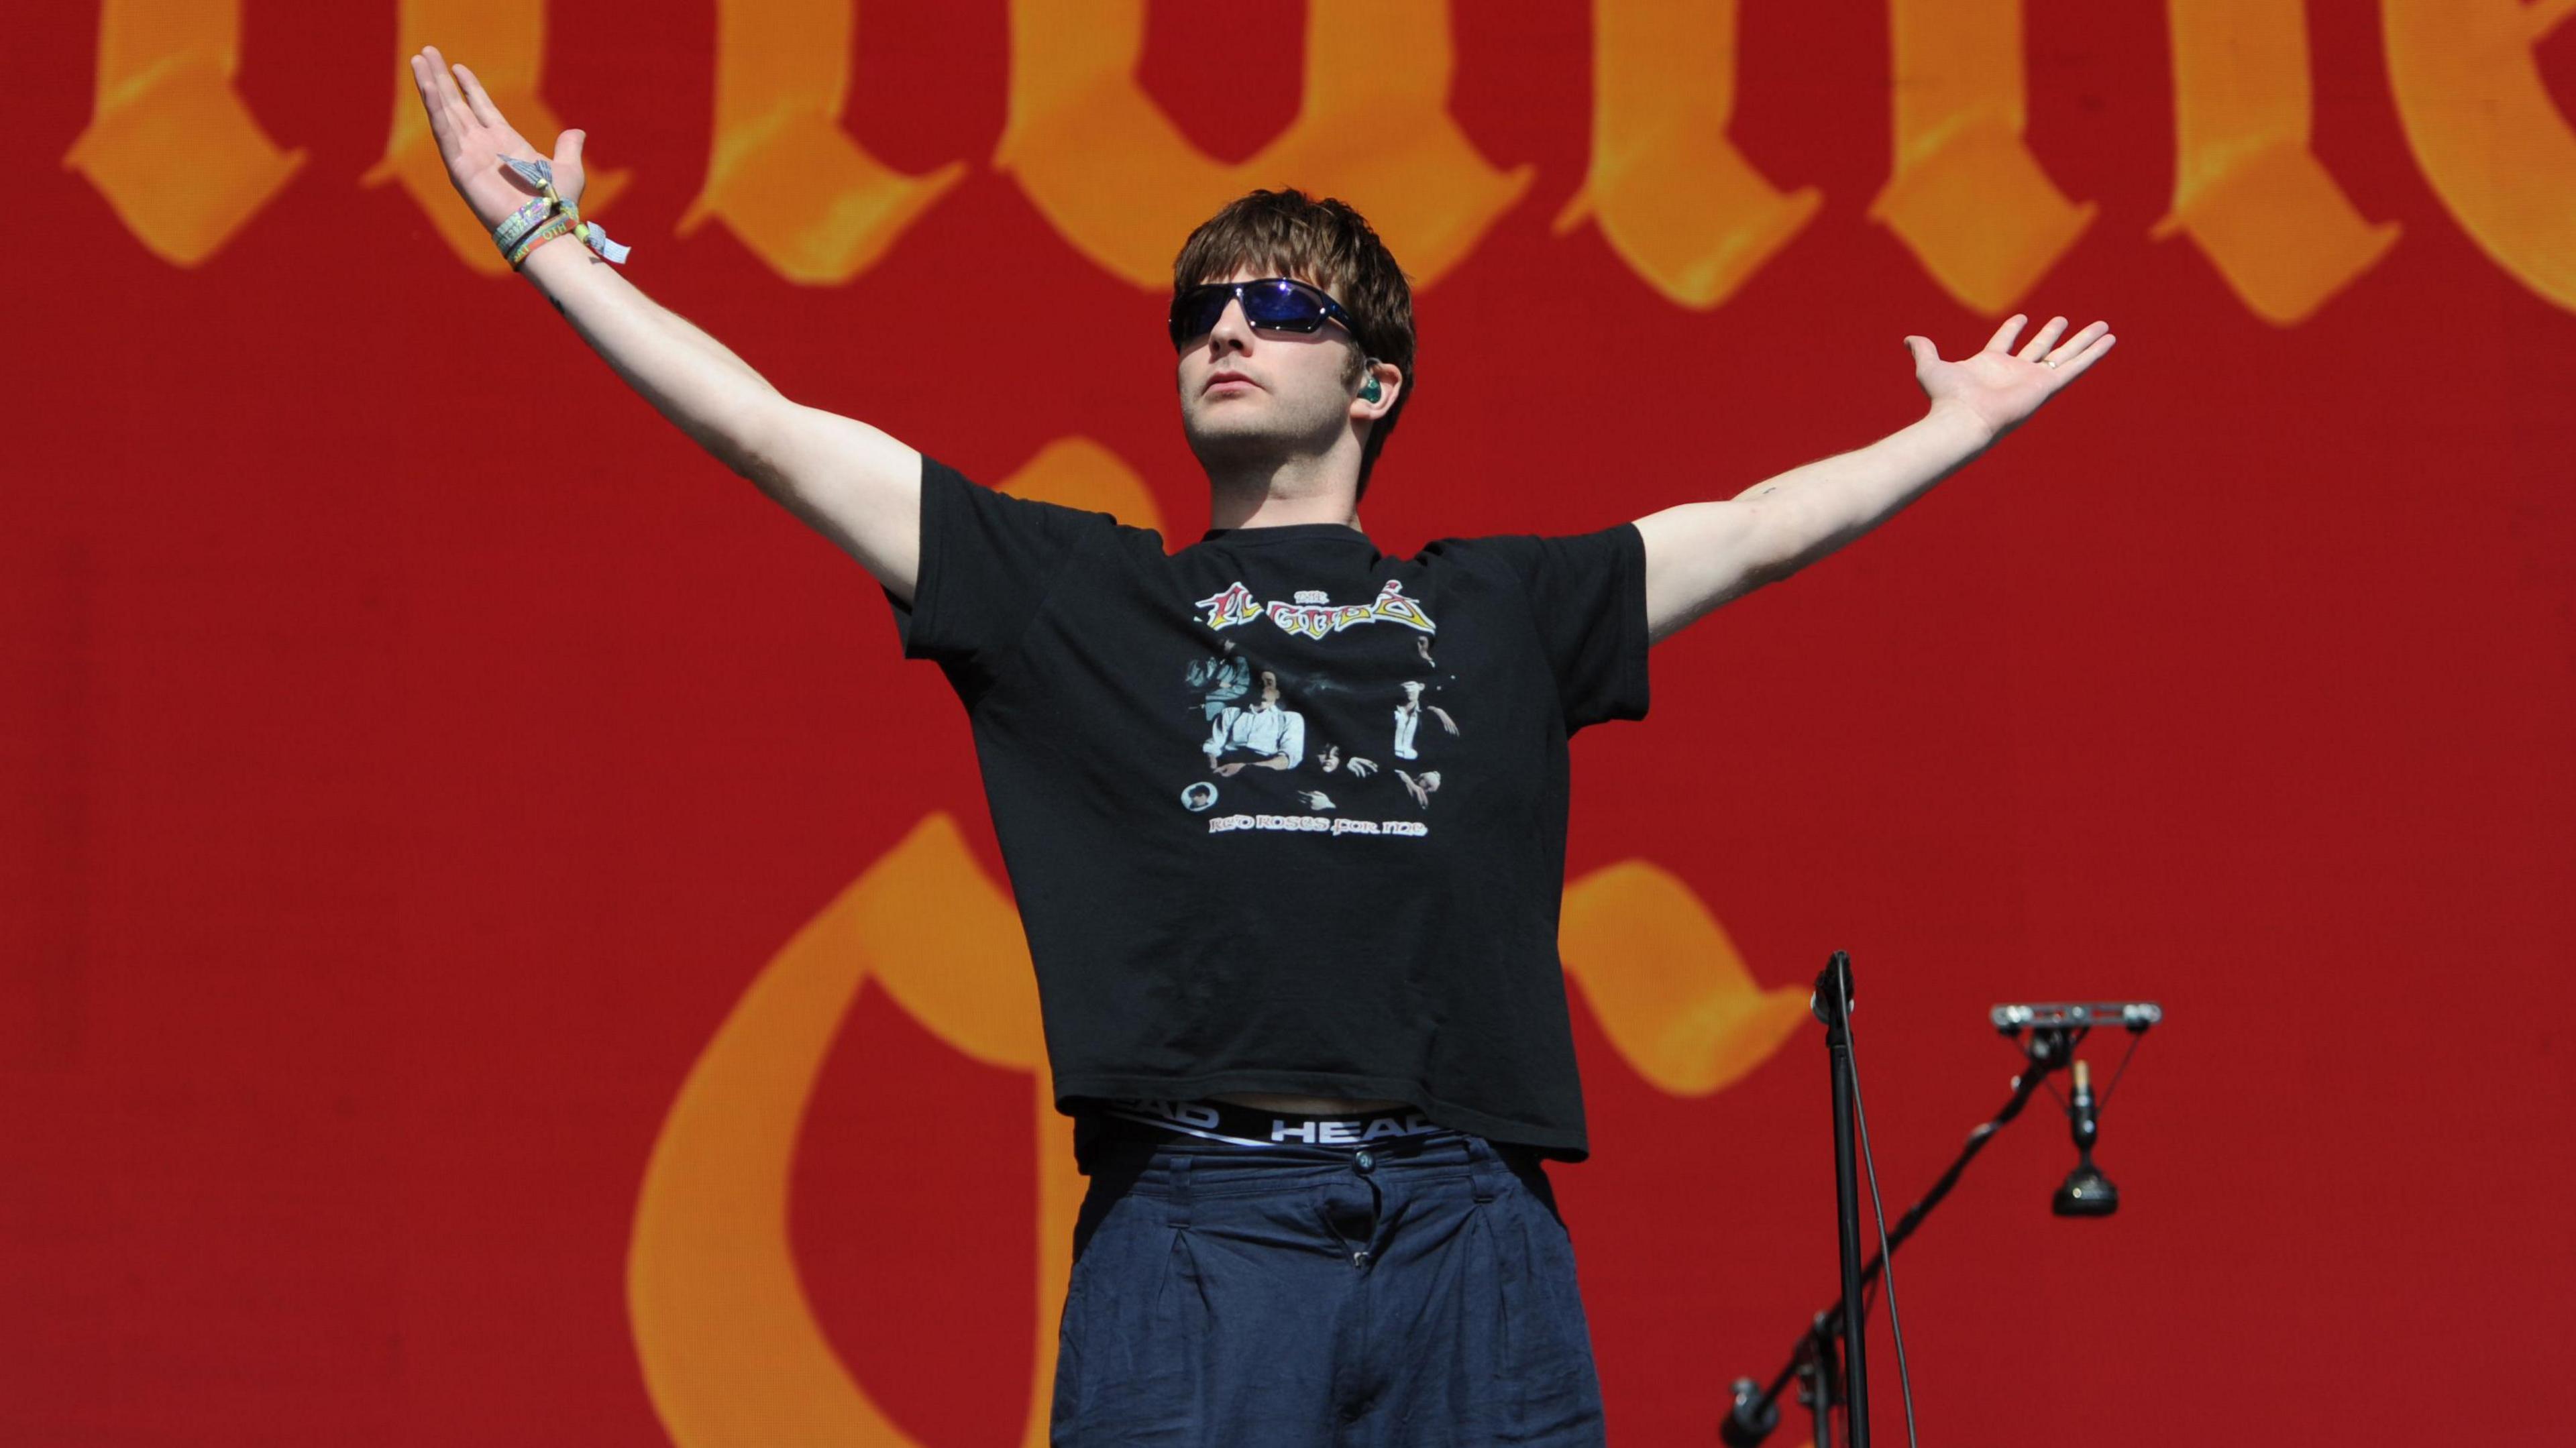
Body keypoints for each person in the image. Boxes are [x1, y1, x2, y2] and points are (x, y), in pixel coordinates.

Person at [407, 46, 2114, 1446]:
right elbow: (779, 439)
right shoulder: (1079, 595)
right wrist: (554, 245)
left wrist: (1948, 431)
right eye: (1200, 309)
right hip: (1201, 1228)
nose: (1226, 329)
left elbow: (1748, 530)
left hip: (1466, 1223)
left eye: (1280, 307)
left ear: (1372, 381)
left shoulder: (1502, 609)